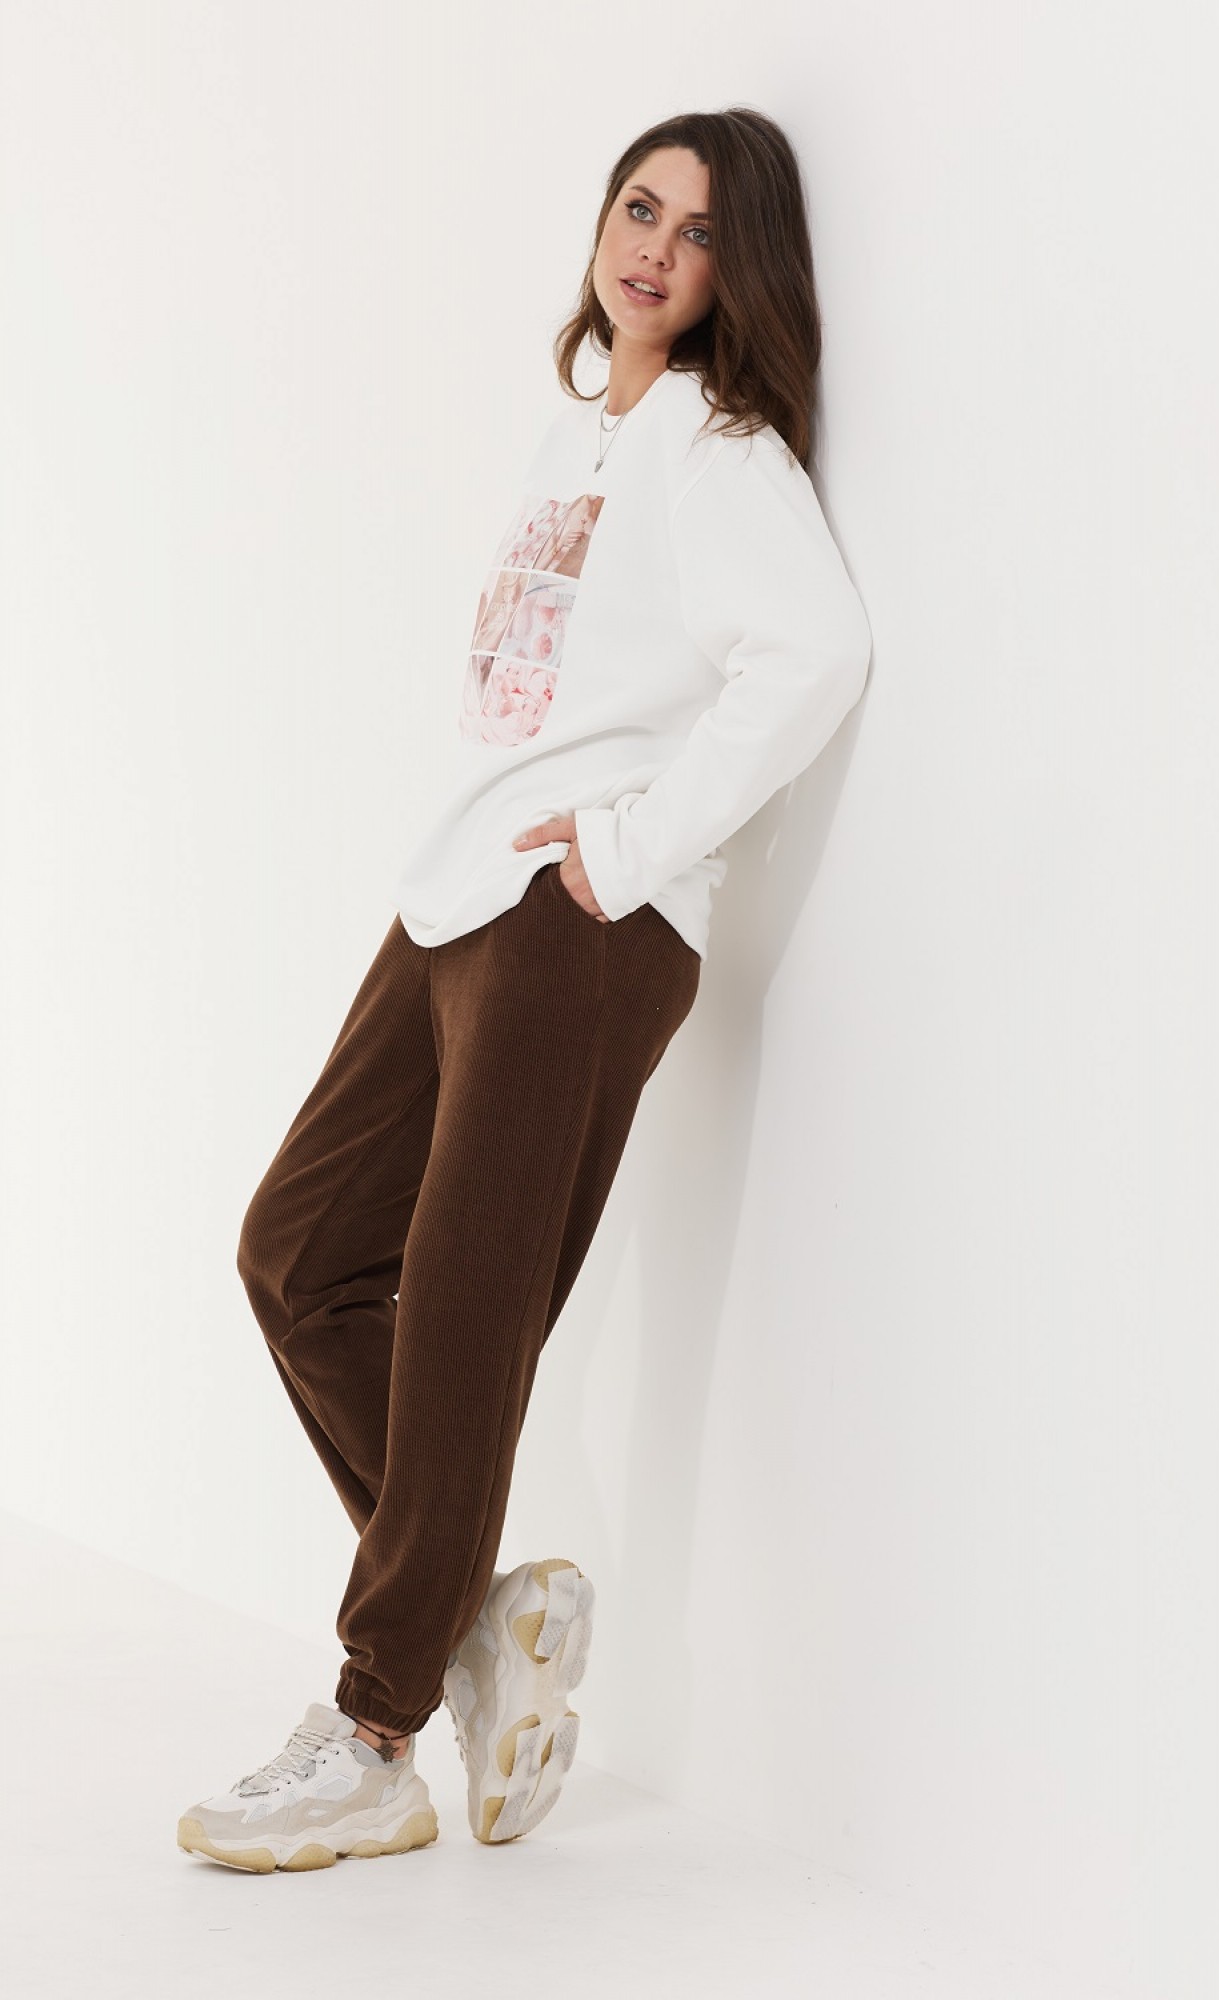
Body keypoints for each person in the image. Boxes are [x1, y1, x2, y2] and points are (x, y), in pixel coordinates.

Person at [177, 104, 873, 1874]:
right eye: (637, 209)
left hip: (578, 922)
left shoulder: (720, 447)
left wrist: (632, 849)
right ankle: (476, 1623)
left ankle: (374, 1735)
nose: (653, 250)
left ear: (737, 271)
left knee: (468, 1315)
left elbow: (813, 654)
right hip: (457, 895)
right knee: (299, 1255)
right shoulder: (585, 435)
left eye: (697, 233)